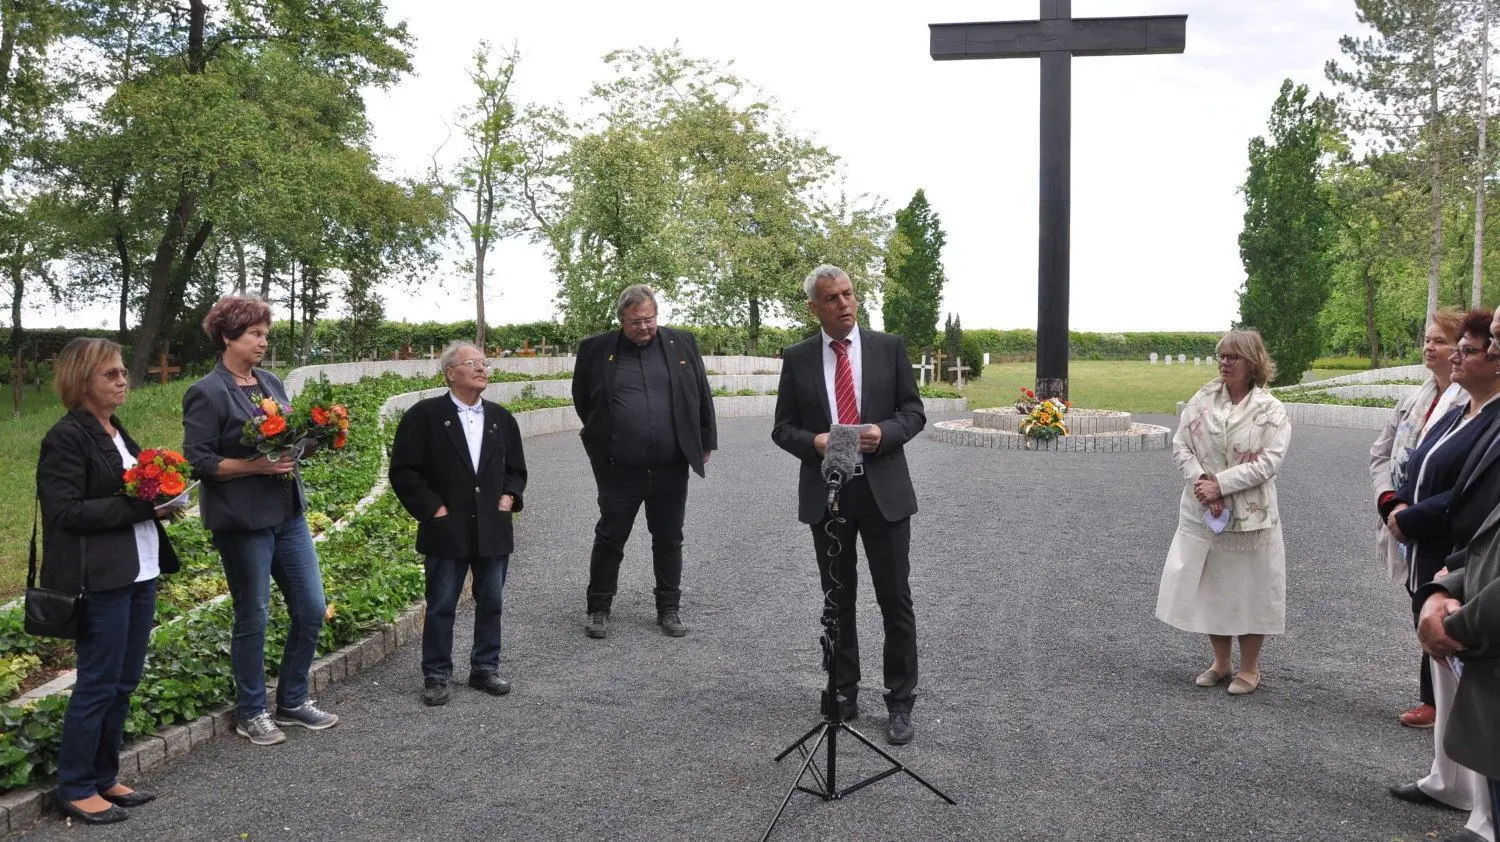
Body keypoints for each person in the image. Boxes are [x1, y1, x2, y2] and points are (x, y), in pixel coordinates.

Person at [771, 264, 927, 745]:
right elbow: (782, 428)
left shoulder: (888, 348)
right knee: (837, 601)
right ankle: (843, 692)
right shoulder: (798, 358)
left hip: (883, 491)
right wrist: (813, 442)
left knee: (894, 599)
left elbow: (914, 412)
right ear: (813, 307)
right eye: (832, 298)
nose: (844, 305)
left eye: (849, 295)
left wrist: (887, 434)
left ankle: (900, 701)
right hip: (830, 493)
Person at [183, 295, 337, 746]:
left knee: (311, 608)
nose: (263, 342)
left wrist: (315, 439)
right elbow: (199, 460)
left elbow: (288, 438)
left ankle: (291, 701)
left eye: (265, 334)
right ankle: (250, 711)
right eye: (254, 334)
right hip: (243, 520)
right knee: (253, 613)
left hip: (289, 513)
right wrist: (254, 466)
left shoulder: (269, 382)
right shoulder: (206, 391)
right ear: (227, 337)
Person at [37, 338, 180, 824]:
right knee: (98, 682)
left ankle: (103, 775)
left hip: (140, 568)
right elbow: (64, 511)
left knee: (124, 681)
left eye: (122, 372)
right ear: (82, 382)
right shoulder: (66, 436)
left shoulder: (116, 430)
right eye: (112, 374)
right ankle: (75, 786)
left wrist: (162, 501)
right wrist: (141, 505)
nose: (123, 381)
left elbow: (130, 493)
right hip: (101, 578)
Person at [1383, 311, 1500, 840]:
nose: (1457, 356)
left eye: (1468, 348)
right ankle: (1450, 781)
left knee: (1475, 688)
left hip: (1466, 563)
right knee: (1450, 680)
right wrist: (1396, 502)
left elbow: (1468, 497)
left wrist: (1412, 519)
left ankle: (1481, 805)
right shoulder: (1460, 409)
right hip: (1445, 560)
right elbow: (1413, 462)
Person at [572, 284, 716, 640]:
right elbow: (583, 398)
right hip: (618, 467)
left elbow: (700, 391)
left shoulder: (681, 342)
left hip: (670, 466)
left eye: (649, 319)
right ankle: (599, 608)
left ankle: (669, 609)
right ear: (622, 318)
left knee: (669, 538)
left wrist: (705, 440)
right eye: (636, 321)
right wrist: (604, 438)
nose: (644, 327)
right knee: (610, 537)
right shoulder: (596, 349)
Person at [389, 341, 528, 707]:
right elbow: (404, 471)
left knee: (492, 601)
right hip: (446, 527)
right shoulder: (424, 416)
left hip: (492, 527)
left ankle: (485, 667)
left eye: (485, 363)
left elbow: (516, 469)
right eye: (473, 363)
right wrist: (433, 509)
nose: (483, 369)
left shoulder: (502, 418)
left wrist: (508, 497)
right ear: (451, 373)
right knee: (441, 604)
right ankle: (436, 674)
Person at [1155, 329, 1290, 696]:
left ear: (1253, 362)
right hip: (1204, 508)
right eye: (1222, 356)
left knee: (1249, 587)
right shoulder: (1203, 397)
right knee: (1213, 584)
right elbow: (1181, 443)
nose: (1225, 363)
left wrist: (1222, 484)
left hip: (1250, 514)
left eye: (1234, 357)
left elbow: (1269, 462)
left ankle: (1249, 668)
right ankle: (1220, 662)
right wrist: (1201, 480)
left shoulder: (1271, 410)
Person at [1372, 308, 1467, 729]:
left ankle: (1447, 705)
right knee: (1419, 605)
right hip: (1405, 518)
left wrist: (1416, 513)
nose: (1430, 347)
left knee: (1443, 610)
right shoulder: (1415, 398)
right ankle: (1434, 700)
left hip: (1447, 528)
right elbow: (1382, 452)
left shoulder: (1471, 403)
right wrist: (1391, 501)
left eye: (1440, 341)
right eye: (1427, 340)